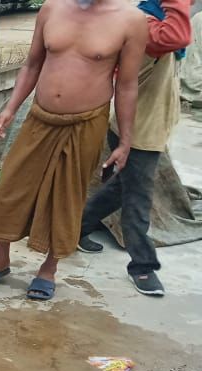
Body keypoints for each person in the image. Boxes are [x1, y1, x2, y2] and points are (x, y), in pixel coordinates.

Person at [0, 0, 148, 300]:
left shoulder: (131, 20)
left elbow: (127, 85)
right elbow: (33, 64)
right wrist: (10, 108)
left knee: (66, 196)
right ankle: (0, 261)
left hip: (86, 122)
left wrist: (125, 140)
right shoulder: (52, 8)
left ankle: (48, 269)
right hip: (40, 117)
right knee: (9, 189)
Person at [78, 0, 192, 296]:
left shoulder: (154, 16)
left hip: (149, 125)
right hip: (136, 130)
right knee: (137, 199)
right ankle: (142, 267)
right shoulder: (145, 23)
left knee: (122, 188)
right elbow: (176, 36)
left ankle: (77, 227)